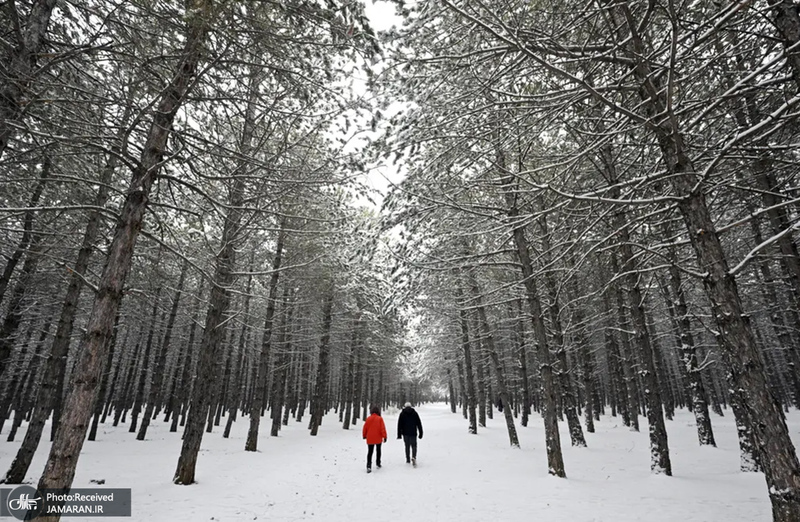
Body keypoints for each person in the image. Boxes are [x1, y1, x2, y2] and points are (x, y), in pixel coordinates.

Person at [362, 404, 387, 473]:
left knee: (370, 452)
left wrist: (364, 435)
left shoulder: (368, 418)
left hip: (370, 438)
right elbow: (382, 428)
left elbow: (365, 428)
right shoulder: (380, 419)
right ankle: (378, 463)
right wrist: (384, 436)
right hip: (378, 438)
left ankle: (368, 465)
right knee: (378, 450)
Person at [397, 402, 423, 466]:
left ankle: (408, 459)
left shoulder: (402, 414)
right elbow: (419, 423)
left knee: (407, 446)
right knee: (414, 446)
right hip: (413, 432)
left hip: (405, 433)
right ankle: (414, 457)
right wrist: (420, 432)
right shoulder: (414, 413)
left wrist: (399, 434)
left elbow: (399, 425)